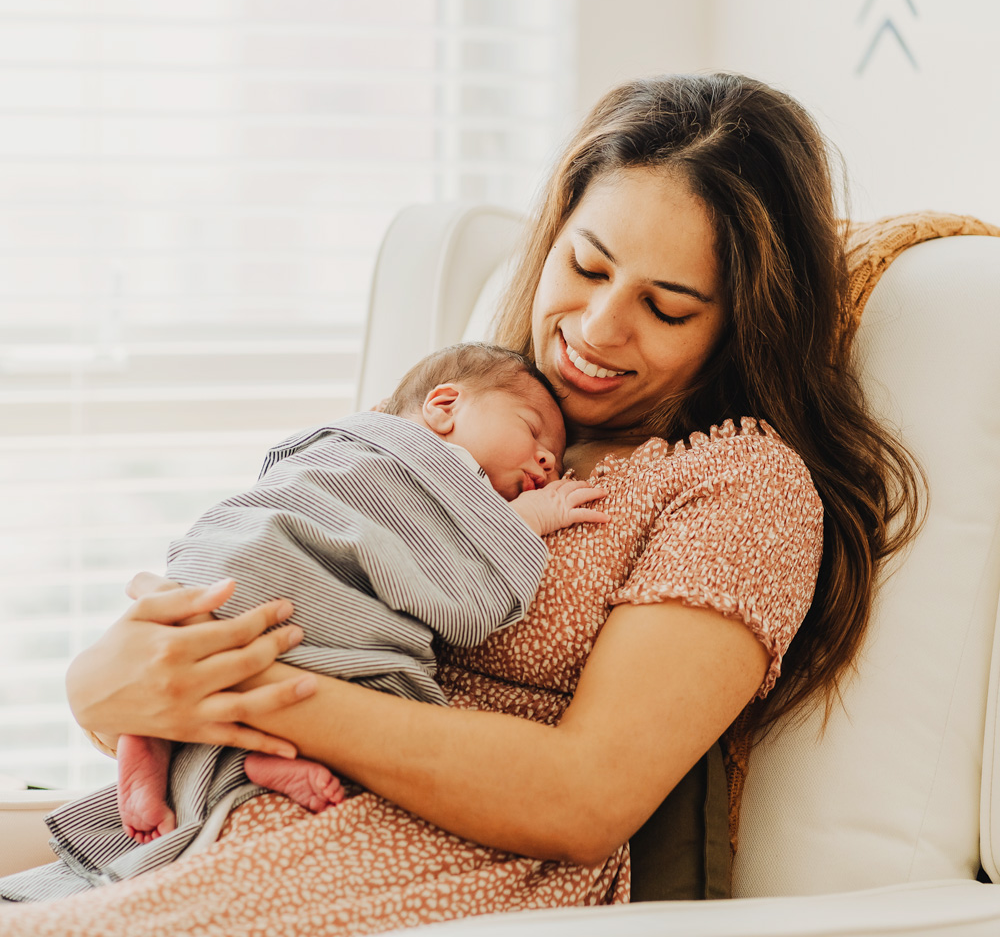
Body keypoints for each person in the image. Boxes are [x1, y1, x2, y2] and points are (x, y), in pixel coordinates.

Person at [0, 73, 923, 935]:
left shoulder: (741, 488)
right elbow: (286, 555)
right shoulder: (465, 410)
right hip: (231, 803)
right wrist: (105, 684)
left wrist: (246, 693)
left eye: (668, 308)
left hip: (439, 862)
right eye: (587, 266)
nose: (599, 328)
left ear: (743, 323)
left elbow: (584, 798)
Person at [5, 342, 608, 892]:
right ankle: (250, 752)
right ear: (444, 406)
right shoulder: (429, 465)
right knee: (383, 684)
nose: (547, 459)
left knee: (202, 653)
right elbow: (464, 591)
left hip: (224, 566)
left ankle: (156, 745)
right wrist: (528, 519)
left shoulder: (344, 442)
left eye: (554, 457)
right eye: (532, 431)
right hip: (288, 574)